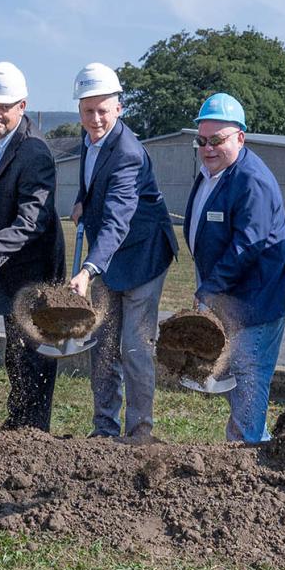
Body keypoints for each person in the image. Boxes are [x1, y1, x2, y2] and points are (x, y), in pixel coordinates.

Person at [67, 62, 178, 443]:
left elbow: (117, 218)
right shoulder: (89, 140)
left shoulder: (128, 152)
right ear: (79, 110)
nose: (95, 118)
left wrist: (88, 268)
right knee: (101, 343)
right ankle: (103, 429)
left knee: (134, 345)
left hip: (141, 256)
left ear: (119, 108)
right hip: (109, 255)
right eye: (88, 110)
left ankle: (139, 434)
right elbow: (96, 180)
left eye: (103, 110)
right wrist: (83, 200)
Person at [181, 93, 285, 443]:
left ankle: (249, 454)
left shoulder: (251, 180)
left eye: (217, 140)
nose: (208, 148)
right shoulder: (210, 173)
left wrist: (209, 290)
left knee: (249, 378)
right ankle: (249, 444)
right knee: (241, 379)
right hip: (234, 297)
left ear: (240, 138)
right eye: (202, 140)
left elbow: (247, 245)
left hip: (258, 299)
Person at [0, 62, 66, 430]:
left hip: (33, 266)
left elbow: (31, 222)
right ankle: (18, 421)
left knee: (34, 351)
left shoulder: (35, 153)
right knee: (16, 349)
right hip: (6, 265)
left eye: (4, 106)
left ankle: (33, 432)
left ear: (23, 105)